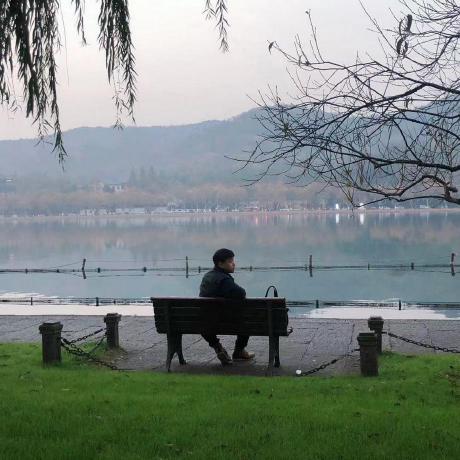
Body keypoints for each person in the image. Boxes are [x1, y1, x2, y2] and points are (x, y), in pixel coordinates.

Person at [199, 248, 255, 365]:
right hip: (226, 321)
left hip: (206, 321)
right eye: (230, 261)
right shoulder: (224, 280)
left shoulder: (207, 276)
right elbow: (241, 293)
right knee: (247, 317)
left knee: (206, 320)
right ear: (220, 263)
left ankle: (217, 346)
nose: (233, 264)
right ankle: (239, 350)